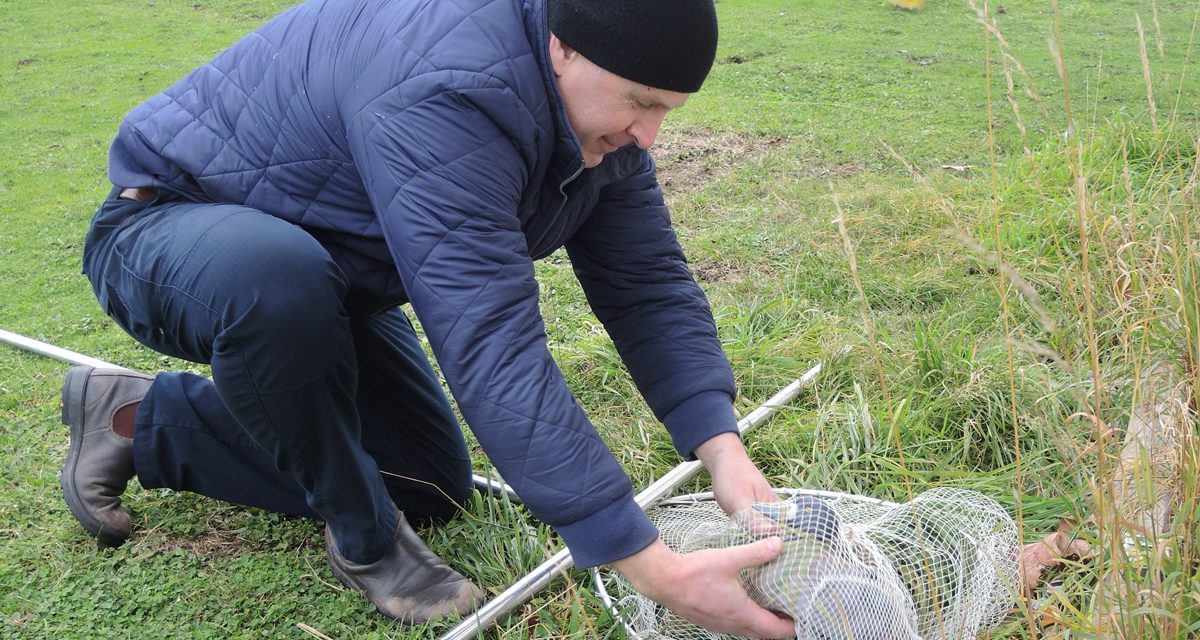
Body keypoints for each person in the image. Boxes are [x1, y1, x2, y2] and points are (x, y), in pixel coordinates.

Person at [61, 0, 795, 636]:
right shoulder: (448, 86)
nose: (650, 135)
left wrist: (722, 449)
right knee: (278, 289)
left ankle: (136, 419)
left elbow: (645, 283)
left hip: (329, 266)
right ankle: (366, 543)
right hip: (173, 232)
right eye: (640, 102)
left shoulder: (600, 120)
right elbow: (492, 341)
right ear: (562, 47)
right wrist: (651, 566)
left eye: (667, 109)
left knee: (427, 482)